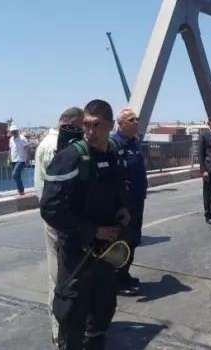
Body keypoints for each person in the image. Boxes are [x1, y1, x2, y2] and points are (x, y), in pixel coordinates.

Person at [40, 99, 127, 350]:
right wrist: (93, 230)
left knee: (103, 306)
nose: (90, 131)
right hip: (77, 252)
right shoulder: (70, 158)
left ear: (110, 126)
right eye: (87, 124)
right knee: (72, 311)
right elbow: (50, 209)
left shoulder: (112, 153)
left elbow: (118, 189)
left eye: (97, 125)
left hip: (106, 252)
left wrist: (122, 210)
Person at [33, 106, 85, 346]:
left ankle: (62, 329)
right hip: (62, 221)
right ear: (73, 123)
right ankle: (61, 330)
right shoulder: (61, 147)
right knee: (61, 277)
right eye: (83, 124)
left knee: (59, 275)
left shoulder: (45, 143)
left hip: (51, 216)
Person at [113, 107, 149, 296]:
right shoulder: (115, 144)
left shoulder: (134, 142)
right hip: (124, 204)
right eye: (132, 119)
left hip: (137, 200)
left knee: (133, 239)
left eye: (137, 119)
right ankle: (117, 280)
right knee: (123, 241)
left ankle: (125, 274)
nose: (136, 122)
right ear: (121, 124)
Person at [9, 124, 29, 195]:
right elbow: (10, 149)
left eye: (14, 131)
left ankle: (21, 189)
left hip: (21, 159)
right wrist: (9, 158)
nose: (13, 133)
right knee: (18, 176)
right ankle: (21, 191)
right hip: (14, 160)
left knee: (14, 174)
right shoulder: (11, 139)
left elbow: (27, 149)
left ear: (17, 131)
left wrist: (27, 159)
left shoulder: (22, 138)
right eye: (12, 131)